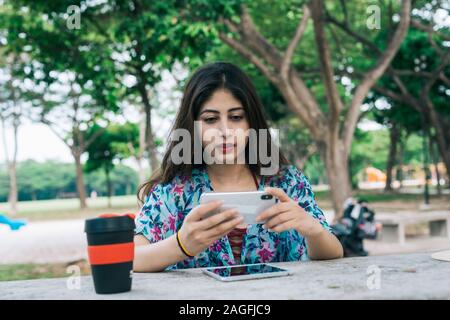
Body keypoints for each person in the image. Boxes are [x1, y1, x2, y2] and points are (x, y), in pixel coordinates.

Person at [133, 62, 343, 272]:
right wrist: (181, 245)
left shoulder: (287, 182)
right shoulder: (175, 190)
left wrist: (312, 229)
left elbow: (334, 252)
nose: (225, 131)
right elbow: (131, 258)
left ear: (251, 122)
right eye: (211, 119)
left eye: (236, 117)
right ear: (193, 126)